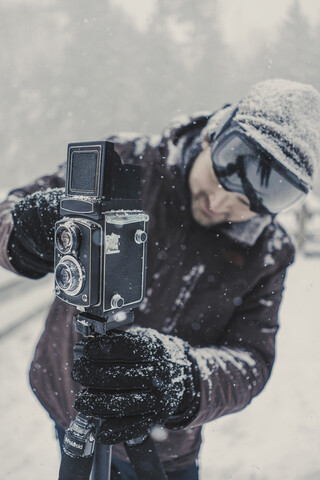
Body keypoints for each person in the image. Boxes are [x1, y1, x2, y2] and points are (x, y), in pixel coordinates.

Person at [1, 78, 320, 479]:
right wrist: (25, 235)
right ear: (211, 135)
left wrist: (184, 380)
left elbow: (251, 360)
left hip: (164, 451)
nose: (220, 203)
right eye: (222, 177)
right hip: (70, 407)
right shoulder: (123, 163)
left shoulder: (268, 252)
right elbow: (7, 216)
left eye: (246, 205)